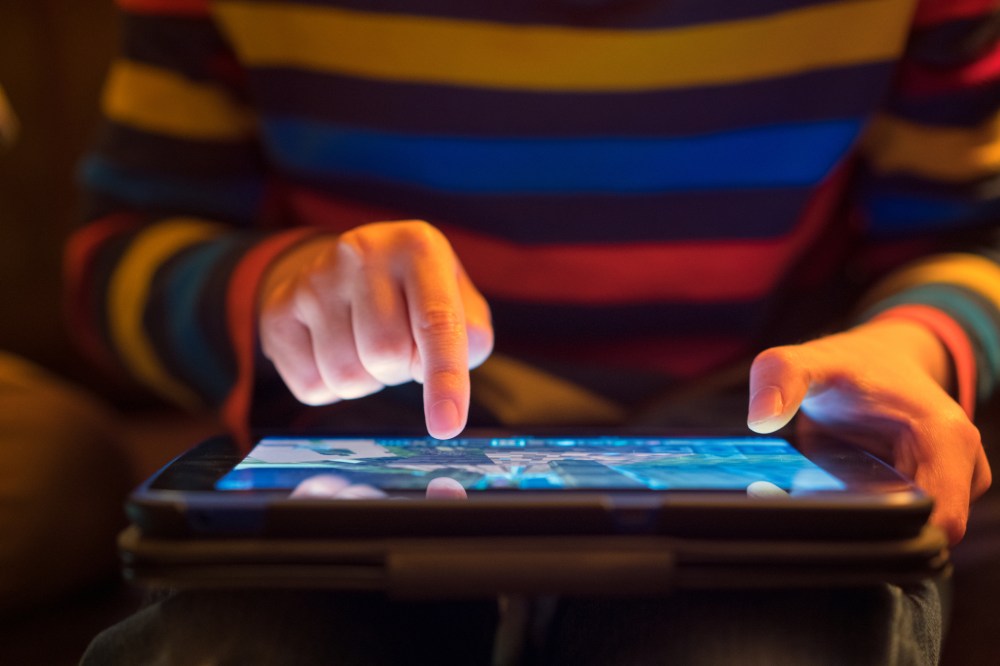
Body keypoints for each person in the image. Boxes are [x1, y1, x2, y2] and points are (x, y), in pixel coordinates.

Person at [71, 0, 999, 663]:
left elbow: (968, 236)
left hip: (757, 445)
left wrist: (911, 342)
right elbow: (118, 256)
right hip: (362, 448)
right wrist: (272, 290)